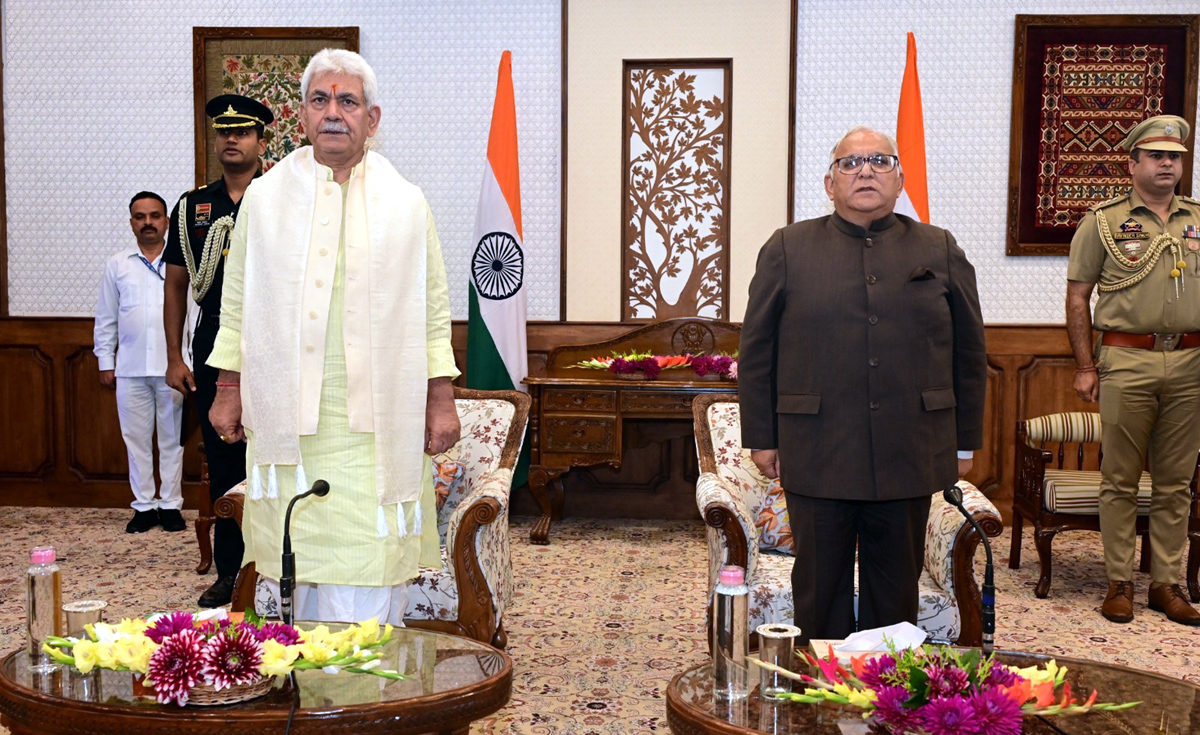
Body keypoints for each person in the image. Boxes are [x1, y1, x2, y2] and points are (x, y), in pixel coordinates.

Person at [207, 49, 460, 625]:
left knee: (371, 562)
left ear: (372, 118)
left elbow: (433, 305)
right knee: (298, 557)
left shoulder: (406, 201)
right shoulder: (266, 200)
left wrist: (440, 397)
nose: (333, 113)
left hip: (379, 423)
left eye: (348, 101)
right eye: (320, 100)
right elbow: (237, 297)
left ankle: (364, 688)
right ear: (302, 117)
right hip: (290, 419)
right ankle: (305, 682)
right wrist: (228, 385)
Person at [739, 126, 986, 643]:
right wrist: (762, 437)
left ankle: (884, 699)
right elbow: (757, 351)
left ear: (899, 179)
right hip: (818, 446)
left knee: (895, 590)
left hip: (910, 446)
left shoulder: (937, 247)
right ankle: (819, 695)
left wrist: (963, 440)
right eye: (850, 163)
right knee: (819, 587)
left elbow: (968, 352)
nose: (865, 170)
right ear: (829, 184)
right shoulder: (788, 247)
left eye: (879, 161)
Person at [1066, 114, 1200, 627]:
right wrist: (1084, 365)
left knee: (1176, 481)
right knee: (1119, 478)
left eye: (1176, 157)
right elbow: (1079, 296)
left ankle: (1167, 582)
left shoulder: (1195, 219)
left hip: (1190, 360)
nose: (1168, 164)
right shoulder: (1102, 221)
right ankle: (1119, 580)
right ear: (1133, 163)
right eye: (1158, 156)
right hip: (1125, 358)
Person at [163, 94, 274, 608]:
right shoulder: (193, 208)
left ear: (261, 140)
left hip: (276, 343)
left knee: (277, 456)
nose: (233, 139)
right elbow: (178, 285)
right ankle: (232, 573)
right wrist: (174, 356)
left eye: (244, 131)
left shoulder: (282, 197)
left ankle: (277, 567)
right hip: (214, 347)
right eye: (225, 131)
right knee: (227, 459)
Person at [95, 192, 187, 534]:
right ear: (132, 222)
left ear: (166, 221)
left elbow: (193, 316)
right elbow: (106, 318)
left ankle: (171, 505)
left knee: (172, 441)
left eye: (154, 215)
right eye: (140, 216)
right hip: (130, 368)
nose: (147, 222)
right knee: (136, 440)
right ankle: (145, 507)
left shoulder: (183, 263)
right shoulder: (118, 264)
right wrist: (106, 361)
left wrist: (188, 360)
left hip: (174, 369)